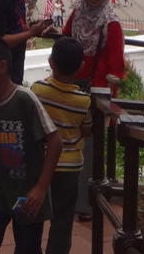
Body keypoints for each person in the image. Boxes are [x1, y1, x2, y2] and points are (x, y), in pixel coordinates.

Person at [0, 35, 61, 254]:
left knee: (27, 247)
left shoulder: (24, 99)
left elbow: (55, 141)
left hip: (27, 192)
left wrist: (40, 188)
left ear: (2, 67)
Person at [60, 0, 124, 219]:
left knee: (89, 147)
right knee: (67, 141)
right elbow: (65, 41)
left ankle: (86, 204)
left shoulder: (111, 23)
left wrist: (105, 97)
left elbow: (115, 66)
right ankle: (67, 198)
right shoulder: (77, 13)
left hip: (93, 92)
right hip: (70, 85)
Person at [30, 38, 91, 252]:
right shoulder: (83, 101)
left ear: (51, 62)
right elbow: (86, 130)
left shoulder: (38, 90)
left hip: (41, 163)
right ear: (81, 67)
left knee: (34, 213)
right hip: (70, 167)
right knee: (63, 219)